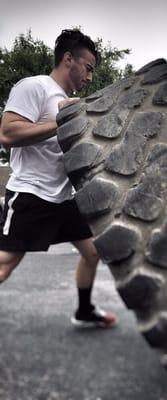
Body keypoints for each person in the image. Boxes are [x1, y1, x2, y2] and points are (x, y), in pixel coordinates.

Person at [0, 29, 117, 329]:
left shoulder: (67, 100)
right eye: (88, 68)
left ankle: (84, 310)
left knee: (92, 252)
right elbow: (7, 134)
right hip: (31, 195)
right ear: (69, 59)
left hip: (64, 200)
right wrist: (60, 122)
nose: (90, 77)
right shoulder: (35, 86)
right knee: (4, 266)